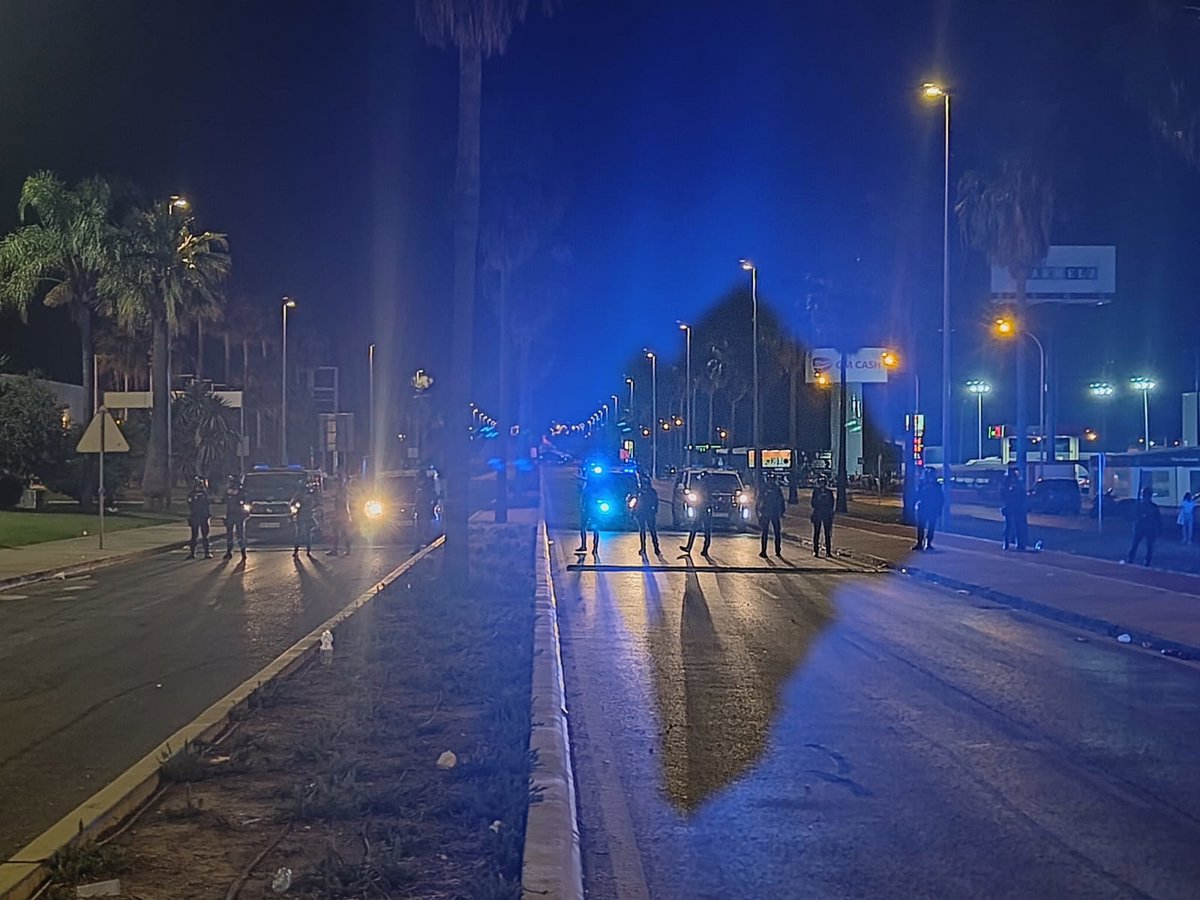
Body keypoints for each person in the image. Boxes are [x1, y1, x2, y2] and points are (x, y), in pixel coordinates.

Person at [1127, 485, 1162, 566]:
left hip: (1148, 528)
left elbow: (1158, 519)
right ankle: (1132, 558)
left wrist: (1158, 528)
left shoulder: (1150, 506)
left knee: (1147, 545)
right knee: (1137, 543)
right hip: (1142, 527)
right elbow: (1135, 516)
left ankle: (1144, 560)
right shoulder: (1142, 505)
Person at [680, 471, 713, 556]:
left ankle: (704, 550)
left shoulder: (707, 487)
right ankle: (690, 548)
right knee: (696, 529)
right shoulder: (704, 486)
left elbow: (707, 499)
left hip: (705, 510)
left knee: (704, 530)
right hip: (701, 509)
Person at [913, 468, 945, 551]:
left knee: (930, 527)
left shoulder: (936, 486)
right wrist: (915, 503)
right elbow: (918, 495)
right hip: (924, 508)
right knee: (921, 527)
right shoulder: (922, 484)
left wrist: (939, 509)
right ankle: (920, 543)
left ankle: (928, 543)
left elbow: (940, 499)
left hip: (932, 508)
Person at [757, 474, 785, 558]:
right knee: (770, 532)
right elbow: (781, 501)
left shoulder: (769, 488)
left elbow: (781, 501)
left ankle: (773, 551)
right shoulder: (774, 488)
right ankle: (768, 551)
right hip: (770, 512)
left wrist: (758, 510)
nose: (771, 481)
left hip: (771, 512)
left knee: (772, 532)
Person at [1001, 467, 1028, 551]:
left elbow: (1023, 495)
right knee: (1010, 526)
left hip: (1017, 507)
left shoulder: (1018, 483)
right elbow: (1003, 495)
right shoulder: (1006, 483)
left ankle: (1019, 543)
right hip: (1010, 507)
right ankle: (1007, 542)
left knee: (1017, 526)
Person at [186, 476, 213, 560]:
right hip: (199, 516)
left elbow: (190, 503)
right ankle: (202, 553)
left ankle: (201, 552)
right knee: (199, 535)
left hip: (199, 516)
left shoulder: (195, 494)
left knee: (199, 535)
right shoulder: (204, 494)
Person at [222, 474, 248, 560]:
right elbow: (223, 500)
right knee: (230, 535)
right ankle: (229, 552)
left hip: (238, 515)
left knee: (239, 534)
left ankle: (243, 552)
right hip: (230, 515)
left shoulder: (241, 492)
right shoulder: (229, 492)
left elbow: (243, 501)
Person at [291, 479, 319, 558]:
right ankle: (307, 551)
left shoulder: (299, 494)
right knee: (307, 534)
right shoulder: (308, 494)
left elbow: (292, 503)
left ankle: (298, 551)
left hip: (302, 515)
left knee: (300, 534)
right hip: (307, 515)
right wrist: (311, 508)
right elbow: (317, 502)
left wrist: (298, 507)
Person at [327, 474, 354, 557]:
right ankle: (342, 549)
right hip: (342, 514)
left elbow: (342, 503)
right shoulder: (342, 491)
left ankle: (341, 550)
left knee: (341, 532)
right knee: (340, 532)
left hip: (341, 515)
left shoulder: (341, 491)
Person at [636, 471, 661, 556]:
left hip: (647, 512)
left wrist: (654, 510)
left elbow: (655, 502)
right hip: (644, 513)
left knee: (650, 531)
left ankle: (654, 548)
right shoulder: (641, 492)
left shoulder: (646, 492)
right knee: (646, 531)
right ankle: (646, 548)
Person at [810, 477, 835, 557]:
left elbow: (832, 503)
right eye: (820, 483)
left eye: (823, 483)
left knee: (827, 533)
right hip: (818, 513)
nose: (822, 484)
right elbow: (813, 503)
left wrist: (830, 512)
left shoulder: (829, 492)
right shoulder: (816, 492)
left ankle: (828, 551)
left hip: (826, 514)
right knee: (816, 533)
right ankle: (815, 550)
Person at [576, 474, 600, 553]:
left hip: (589, 510)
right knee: (594, 529)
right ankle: (594, 548)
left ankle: (586, 546)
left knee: (585, 528)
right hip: (593, 510)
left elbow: (585, 499)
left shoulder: (588, 488)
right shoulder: (593, 488)